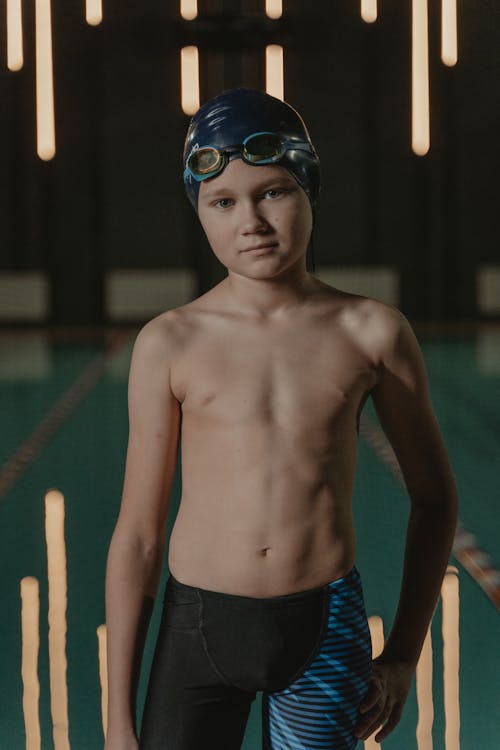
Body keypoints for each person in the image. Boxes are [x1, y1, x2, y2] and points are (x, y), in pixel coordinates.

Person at [104, 88, 458, 750]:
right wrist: (117, 723)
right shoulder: (170, 342)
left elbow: (435, 501)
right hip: (200, 629)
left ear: (309, 189)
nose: (251, 221)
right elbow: (138, 539)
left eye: (273, 192)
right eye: (224, 202)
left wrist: (405, 653)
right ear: (201, 213)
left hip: (324, 626)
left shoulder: (372, 332)